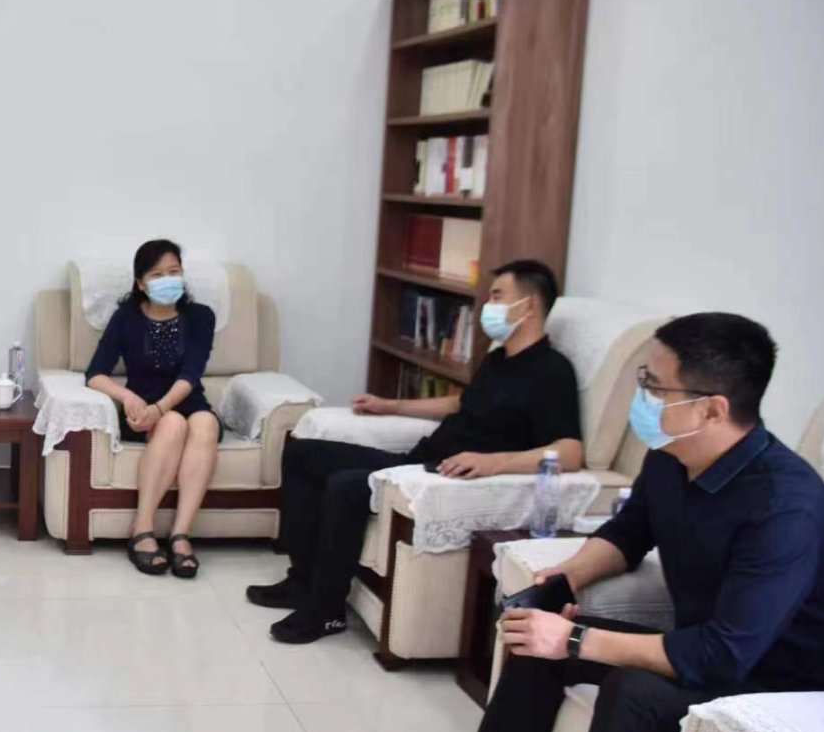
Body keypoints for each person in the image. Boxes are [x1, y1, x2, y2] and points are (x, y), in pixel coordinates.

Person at [365, 313, 824, 732]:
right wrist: (560, 584)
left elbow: (724, 654)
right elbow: (626, 535)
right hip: (711, 644)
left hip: (784, 686)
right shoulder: (674, 457)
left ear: (712, 408)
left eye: (655, 386)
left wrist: (574, 641)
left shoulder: (786, 507)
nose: (641, 397)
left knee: (632, 692)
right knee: (534, 636)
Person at [249, 260, 583, 643]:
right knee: (301, 454)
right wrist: (390, 405)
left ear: (529, 305)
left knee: (346, 486)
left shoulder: (552, 371)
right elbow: (460, 404)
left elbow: (570, 452)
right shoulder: (499, 358)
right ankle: (302, 582)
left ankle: (326, 611)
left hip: (446, 479)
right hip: (418, 461)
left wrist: (493, 462)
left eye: (496, 296)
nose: (487, 306)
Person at [84, 239, 223, 579]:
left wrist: (160, 408)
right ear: (141, 283)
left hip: (185, 401)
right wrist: (128, 398)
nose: (168, 280)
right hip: (141, 410)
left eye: (174, 272)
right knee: (173, 424)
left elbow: (191, 374)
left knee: (204, 423)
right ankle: (142, 528)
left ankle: (180, 535)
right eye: (158, 274)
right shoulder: (126, 318)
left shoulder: (201, 317)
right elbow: (95, 374)